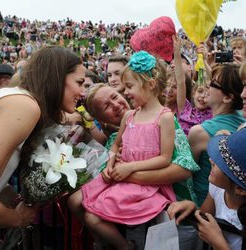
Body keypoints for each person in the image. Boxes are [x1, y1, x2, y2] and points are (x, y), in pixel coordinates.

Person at [68, 51, 199, 249]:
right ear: (100, 118)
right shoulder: (126, 123)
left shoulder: (162, 118)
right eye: (106, 106)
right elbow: (113, 148)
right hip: (126, 212)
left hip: (169, 212)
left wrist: (128, 171)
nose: (117, 103)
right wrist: (112, 164)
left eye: (115, 95)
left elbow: (181, 168)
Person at [0, 46, 86, 228]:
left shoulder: (18, 99)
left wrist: (10, 197)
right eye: (79, 82)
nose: (82, 92)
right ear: (58, 77)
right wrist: (15, 218)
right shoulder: (25, 106)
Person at [168, 127, 246, 250]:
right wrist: (193, 209)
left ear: (240, 189)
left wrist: (219, 243)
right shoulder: (217, 189)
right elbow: (205, 216)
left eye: (222, 164)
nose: (211, 160)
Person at [188, 63, 245, 207]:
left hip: (203, 206)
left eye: (213, 83)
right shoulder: (242, 119)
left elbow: (187, 176)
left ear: (227, 98)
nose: (208, 86)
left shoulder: (200, 132)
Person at [166, 35, 212, 136]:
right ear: (193, 93)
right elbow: (180, 81)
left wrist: (205, 61)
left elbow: (215, 83)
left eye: (208, 94)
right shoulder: (185, 109)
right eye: (200, 91)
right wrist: (176, 52)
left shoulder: (214, 115)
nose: (203, 96)